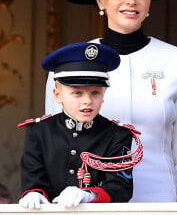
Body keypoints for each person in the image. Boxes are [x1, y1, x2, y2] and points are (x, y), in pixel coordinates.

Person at [45, 0, 177, 202]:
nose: (131, 1)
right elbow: (56, 144)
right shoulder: (69, 64)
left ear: (150, 0)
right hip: (87, 201)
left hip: (160, 199)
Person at [18, 42, 142, 209]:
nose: (87, 101)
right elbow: (33, 179)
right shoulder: (39, 131)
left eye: (95, 93)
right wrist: (35, 193)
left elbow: (120, 188)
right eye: (77, 93)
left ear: (104, 95)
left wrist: (89, 195)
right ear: (57, 95)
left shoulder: (117, 135)